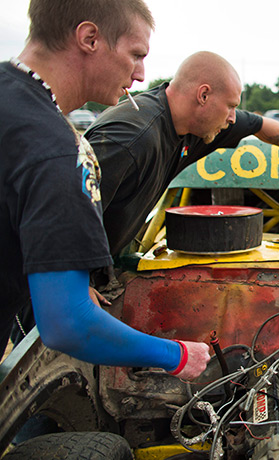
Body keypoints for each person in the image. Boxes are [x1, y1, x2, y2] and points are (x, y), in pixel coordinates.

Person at [0, 0, 210, 380]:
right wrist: (176, 355)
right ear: (89, 38)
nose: (142, 75)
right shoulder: (59, 152)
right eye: (135, 54)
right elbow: (68, 323)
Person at [86, 51, 279, 257]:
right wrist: (76, 285)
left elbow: (262, 126)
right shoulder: (131, 140)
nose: (233, 118)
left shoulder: (192, 126)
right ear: (204, 95)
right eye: (231, 107)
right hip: (73, 278)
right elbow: (64, 214)